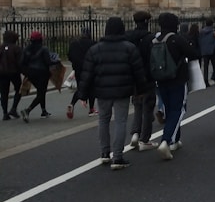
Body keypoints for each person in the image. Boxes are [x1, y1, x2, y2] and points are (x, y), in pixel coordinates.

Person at [77, 17, 148, 170]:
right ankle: (117, 156)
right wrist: (141, 90)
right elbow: (138, 72)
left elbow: (87, 74)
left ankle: (104, 153)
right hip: (122, 90)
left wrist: (82, 94)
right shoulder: (129, 48)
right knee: (120, 121)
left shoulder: (95, 49)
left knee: (103, 120)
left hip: (102, 90)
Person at [152, 12, 200, 160]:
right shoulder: (177, 39)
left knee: (169, 109)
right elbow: (194, 54)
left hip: (160, 80)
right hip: (177, 79)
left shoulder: (155, 40)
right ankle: (166, 140)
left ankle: (175, 140)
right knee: (178, 110)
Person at [125, 11, 159, 151]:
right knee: (148, 108)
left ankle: (135, 133)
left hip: (133, 77)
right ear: (146, 22)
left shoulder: (128, 37)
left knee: (137, 105)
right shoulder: (150, 38)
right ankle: (145, 139)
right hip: (147, 76)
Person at [19, 31, 57, 122]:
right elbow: (48, 62)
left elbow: (22, 62)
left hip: (31, 74)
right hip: (42, 73)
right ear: (40, 39)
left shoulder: (26, 49)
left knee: (41, 91)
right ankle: (27, 110)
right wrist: (56, 61)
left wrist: (25, 73)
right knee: (41, 93)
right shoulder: (44, 49)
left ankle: (43, 111)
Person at [67, 28, 97, 118]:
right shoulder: (93, 44)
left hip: (78, 70)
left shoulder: (74, 44)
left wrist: (76, 64)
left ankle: (72, 104)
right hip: (90, 69)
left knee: (80, 88)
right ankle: (91, 109)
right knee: (91, 89)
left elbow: (69, 56)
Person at [0, 30, 23, 120]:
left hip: (2, 73)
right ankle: (13, 108)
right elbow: (20, 62)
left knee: (4, 93)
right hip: (14, 72)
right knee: (19, 89)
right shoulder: (16, 48)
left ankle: (5, 113)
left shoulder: (1, 47)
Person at [199, 19, 215, 86]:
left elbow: (199, 40)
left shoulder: (201, 32)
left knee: (205, 67)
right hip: (212, 50)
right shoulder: (213, 32)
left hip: (204, 51)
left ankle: (205, 80)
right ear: (212, 24)